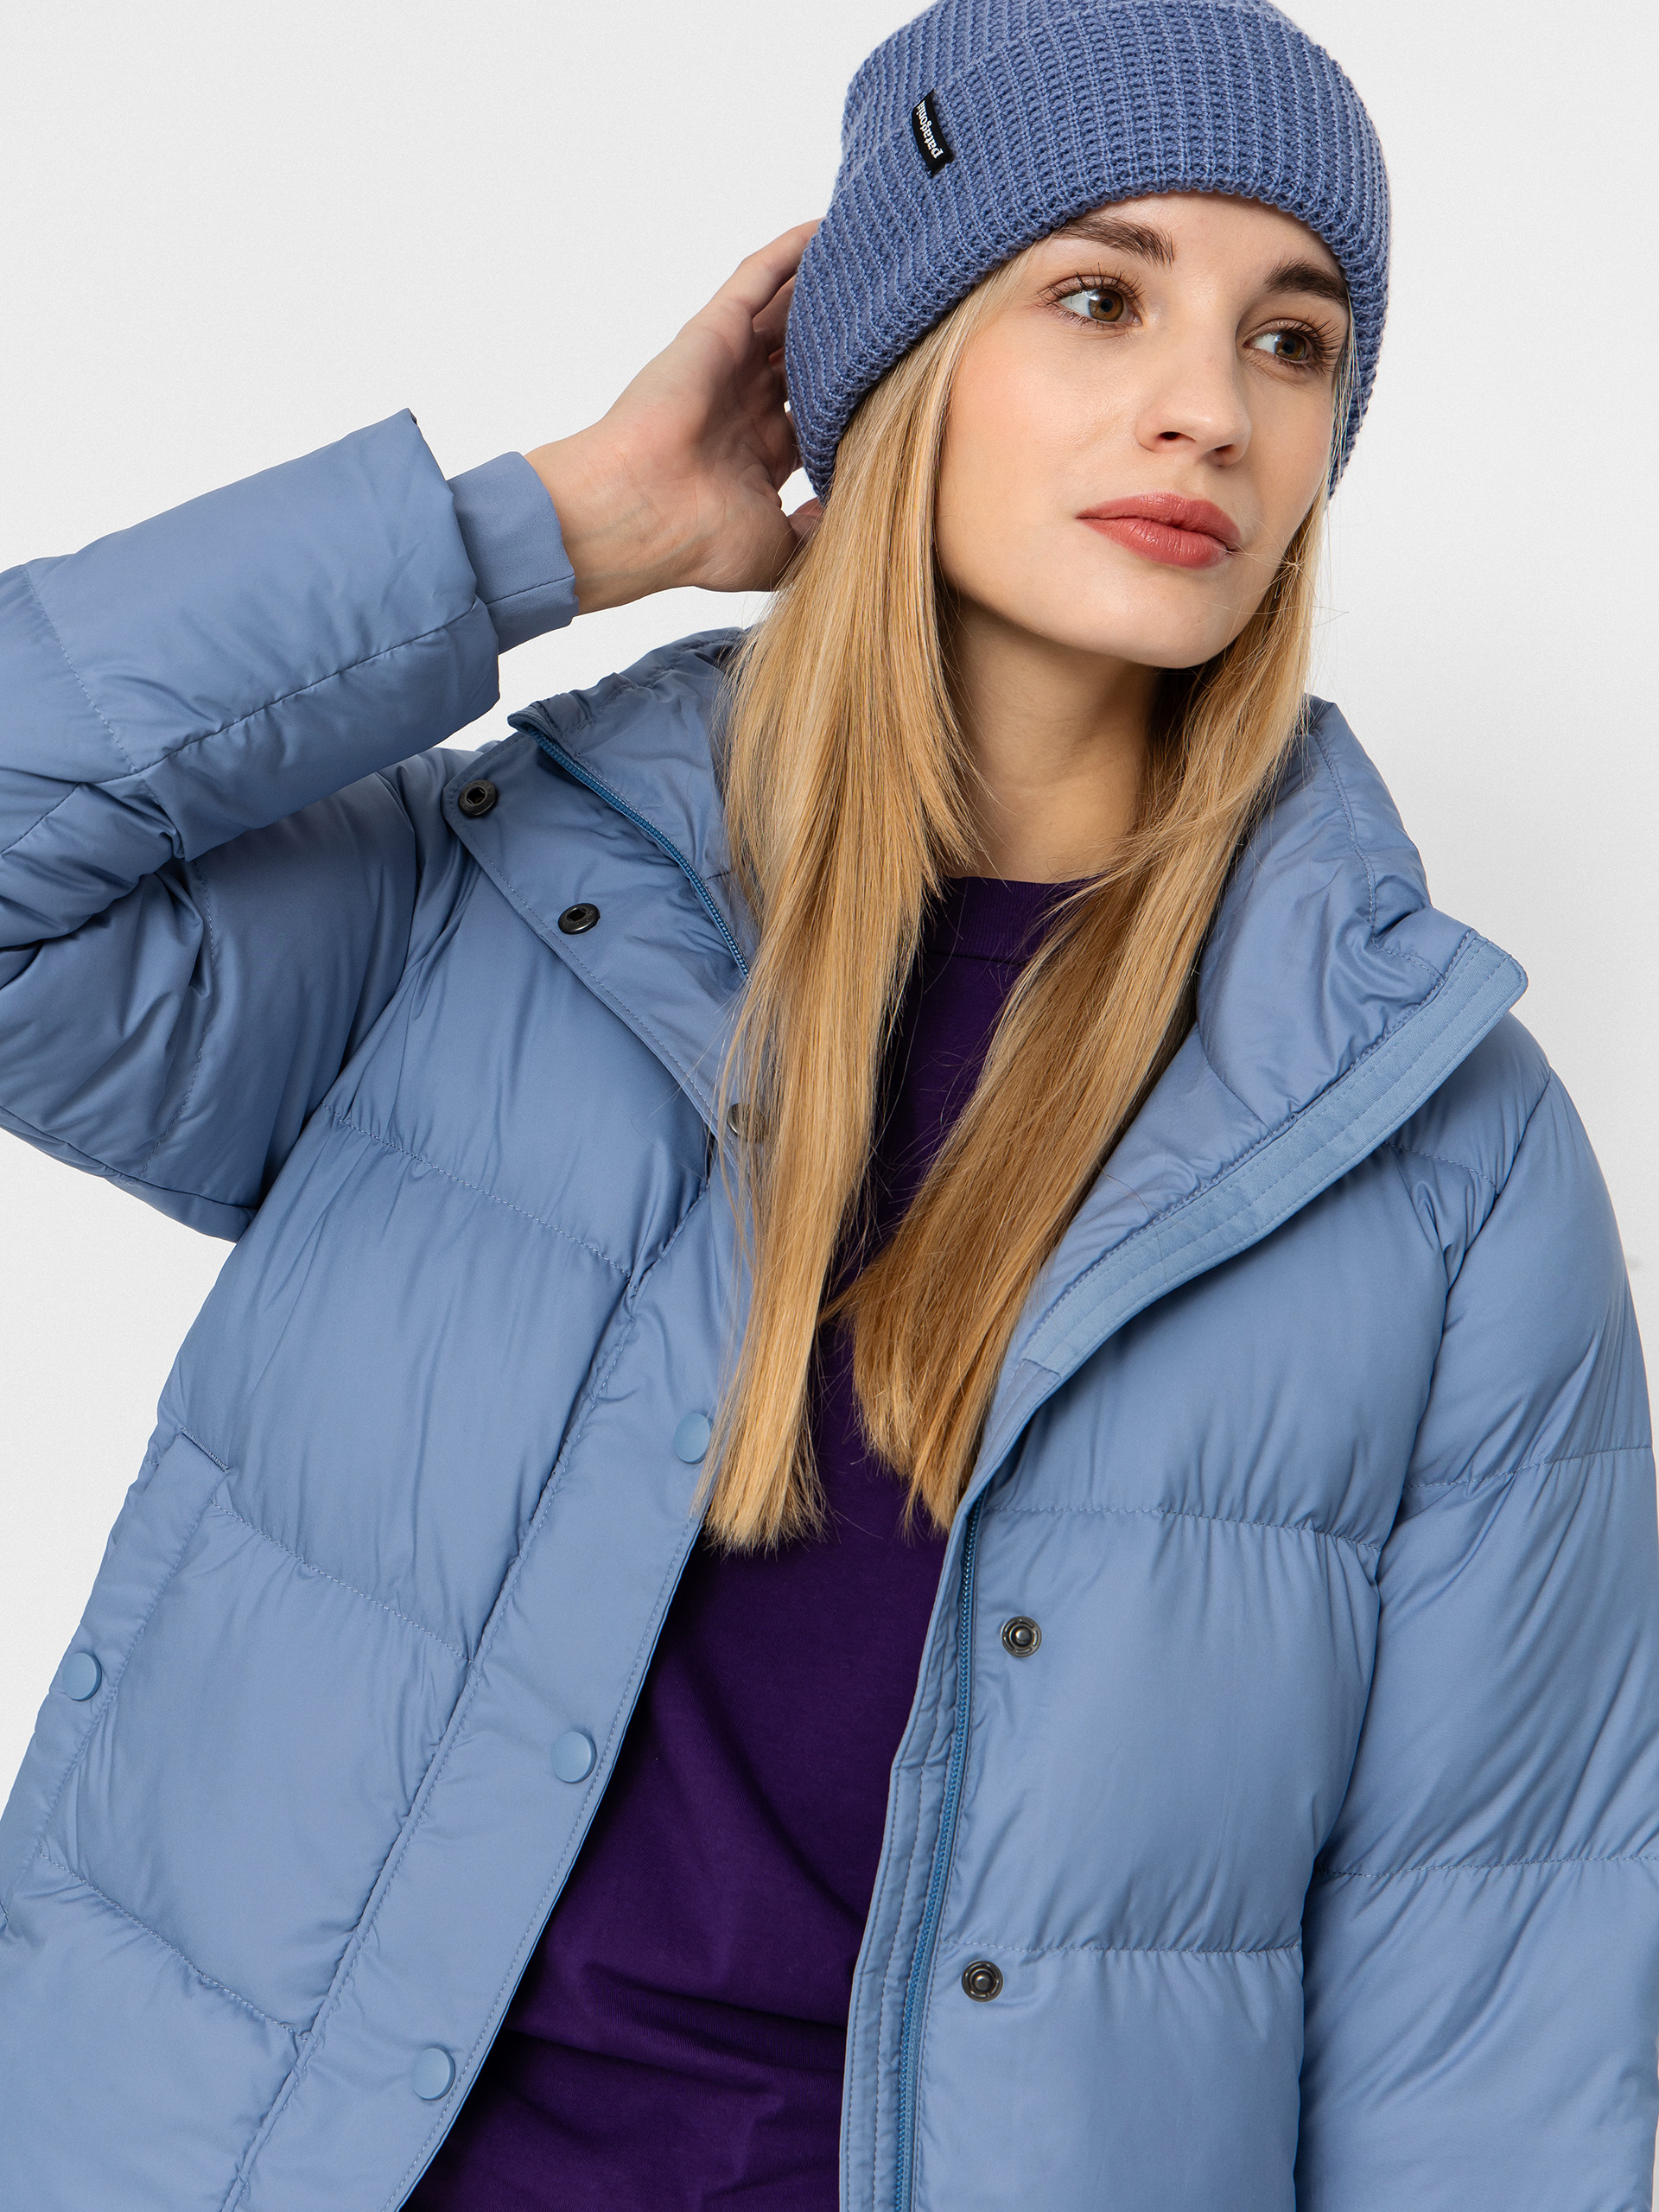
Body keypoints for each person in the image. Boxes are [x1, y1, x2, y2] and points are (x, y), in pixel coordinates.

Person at [1, 0, 1656, 2205]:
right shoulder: (491, 912)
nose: (1211, 406)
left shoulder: (1435, 1154)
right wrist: (549, 528)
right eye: (1101, 296)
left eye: (1292, 339)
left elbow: (1495, 2016)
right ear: (894, 357)